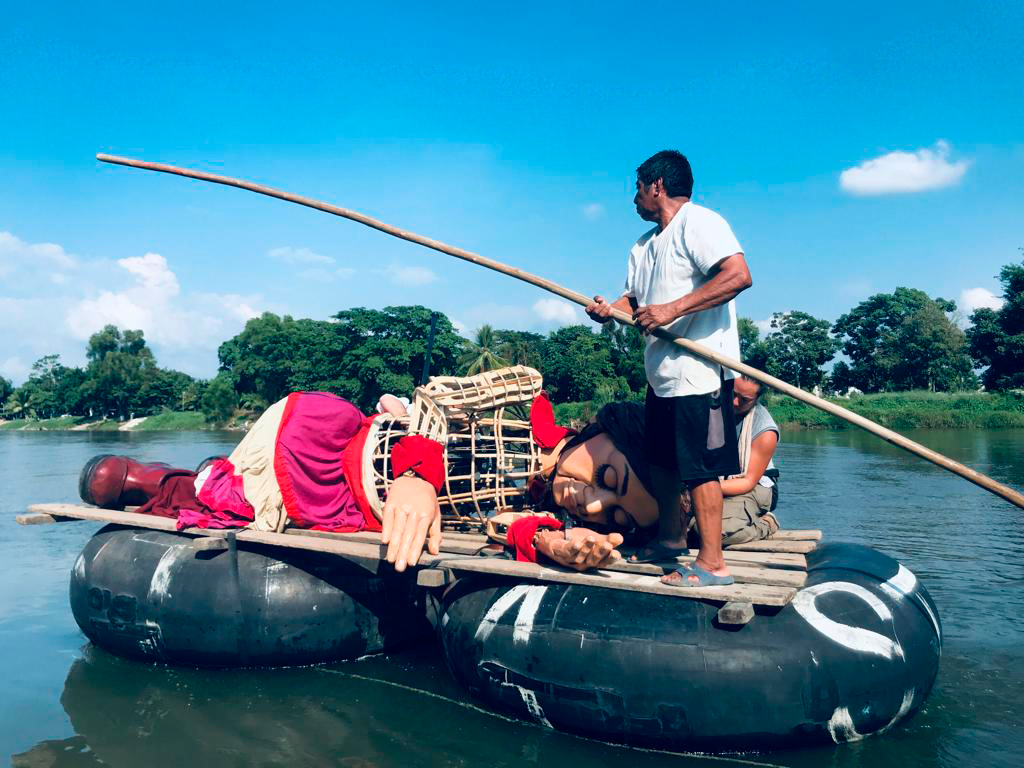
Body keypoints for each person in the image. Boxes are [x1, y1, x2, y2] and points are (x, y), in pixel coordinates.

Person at [79, 367, 653, 573]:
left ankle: (199, 477)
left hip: (356, 512)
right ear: (601, 433)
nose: (595, 504)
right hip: (333, 451)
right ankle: (157, 479)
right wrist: (418, 475)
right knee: (250, 495)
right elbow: (440, 400)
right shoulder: (528, 406)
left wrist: (554, 542)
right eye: (608, 479)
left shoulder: (549, 506)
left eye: (615, 514)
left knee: (248, 506)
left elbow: (500, 526)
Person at [586, 150, 752, 588]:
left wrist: (672, 310)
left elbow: (737, 275)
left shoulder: (700, 223)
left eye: (637, 188)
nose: (634, 199)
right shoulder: (642, 247)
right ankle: (671, 540)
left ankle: (713, 564)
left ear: (656, 185)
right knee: (662, 462)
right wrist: (611, 310)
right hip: (661, 375)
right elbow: (635, 302)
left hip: (701, 370)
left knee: (700, 467)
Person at [716, 375, 781, 546]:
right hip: (714, 481)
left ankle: (766, 523)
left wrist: (702, 488)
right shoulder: (712, 408)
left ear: (756, 399)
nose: (735, 402)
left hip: (753, 485)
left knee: (713, 533)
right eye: (733, 394)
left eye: (744, 400)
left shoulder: (765, 431)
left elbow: (748, 482)